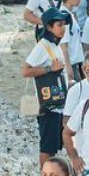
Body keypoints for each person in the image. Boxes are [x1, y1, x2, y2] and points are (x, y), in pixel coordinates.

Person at [22, 9, 72, 165]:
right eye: (59, 24)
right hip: (48, 106)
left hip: (57, 104)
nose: (63, 28)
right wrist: (50, 69)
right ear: (49, 27)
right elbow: (25, 70)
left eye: (64, 24)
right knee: (47, 149)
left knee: (55, 147)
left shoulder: (53, 45)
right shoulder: (43, 46)